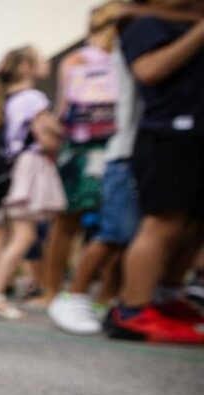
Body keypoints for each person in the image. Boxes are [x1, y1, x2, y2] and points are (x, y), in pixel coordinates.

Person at [107, 2, 204, 344]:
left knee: (191, 224)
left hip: (193, 133)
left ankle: (166, 295)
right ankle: (133, 309)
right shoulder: (146, 22)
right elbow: (148, 70)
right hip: (167, 132)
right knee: (163, 222)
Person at [0, 46, 68, 321]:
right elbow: (47, 138)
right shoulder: (33, 99)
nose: (46, 60)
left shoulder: (5, 101)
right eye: (40, 57)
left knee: (8, 236)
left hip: (11, 171)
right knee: (25, 235)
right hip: (28, 168)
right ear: (26, 67)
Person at [38, 4, 122, 308]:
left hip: (94, 147)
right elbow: (65, 108)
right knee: (75, 223)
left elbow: (63, 110)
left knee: (107, 224)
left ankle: (65, 292)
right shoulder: (90, 59)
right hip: (93, 148)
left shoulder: (83, 58)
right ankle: (85, 293)